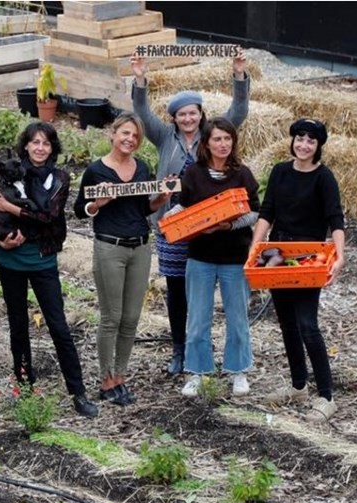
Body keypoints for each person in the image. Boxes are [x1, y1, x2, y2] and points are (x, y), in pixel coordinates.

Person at [131, 49, 250, 375]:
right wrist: (140, 79)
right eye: (181, 115)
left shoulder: (212, 137)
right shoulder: (162, 136)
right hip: (172, 225)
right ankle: (180, 349)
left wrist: (239, 74)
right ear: (173, 118)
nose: (187, 119)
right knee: (176, 289)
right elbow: (140, 111)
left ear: (201, 114)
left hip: (207, 228)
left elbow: (238, 111)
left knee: (205, 288)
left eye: (192, 113)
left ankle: (209, 349)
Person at [0, 122, 98, 418]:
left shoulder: (60, 178)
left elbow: (49, 215)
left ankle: (78, 391)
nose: (39, 148)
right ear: (25, 146)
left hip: (43, 260)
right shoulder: (10, 173)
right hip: (11, 262)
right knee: (19, 325)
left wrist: (14, 211)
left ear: (52, 148)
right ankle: (24, 387)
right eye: (34, 142)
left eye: (45, 143)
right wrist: (0, 239)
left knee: (58, 326)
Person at [73, 113, 172, 406]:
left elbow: (144, 208)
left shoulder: (143, 167)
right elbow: (80, 208)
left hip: (140, 247)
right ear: (113, 134)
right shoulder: (96, 171)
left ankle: (121, 376)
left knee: (131, 318)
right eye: (125, 133)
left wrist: (160, 201)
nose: (130, 139)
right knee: (111, 317)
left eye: (135, 136)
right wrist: (98, 203)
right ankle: (106, 380)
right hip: (110, 247)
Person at [251, 119, 345, 422]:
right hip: (278, 255)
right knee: (288, 324)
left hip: (309, 258)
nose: (303, 145)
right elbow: (268, 212)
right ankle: (298, 385)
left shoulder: (323, 178)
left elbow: (335, 219)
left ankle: (326, 396)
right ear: (292, 140)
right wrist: (256, 247)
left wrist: (339, 256)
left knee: (308, 325)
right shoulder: (280, 172)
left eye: (310, 141)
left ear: (318, 146)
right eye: (299, 138)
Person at [164, 117, 259, 398]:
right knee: (198, 318)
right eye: (217, 139)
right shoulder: (193, 174)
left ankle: (238, 371)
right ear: (206, 143)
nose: (223, 144)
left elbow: (255, 213)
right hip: (201, 257)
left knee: (238, 317)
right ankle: (197, 371)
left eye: (227, 139)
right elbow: (183, 206)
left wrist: (229, 224)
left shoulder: (242, 174)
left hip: (234, 257)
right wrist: (167, 218)